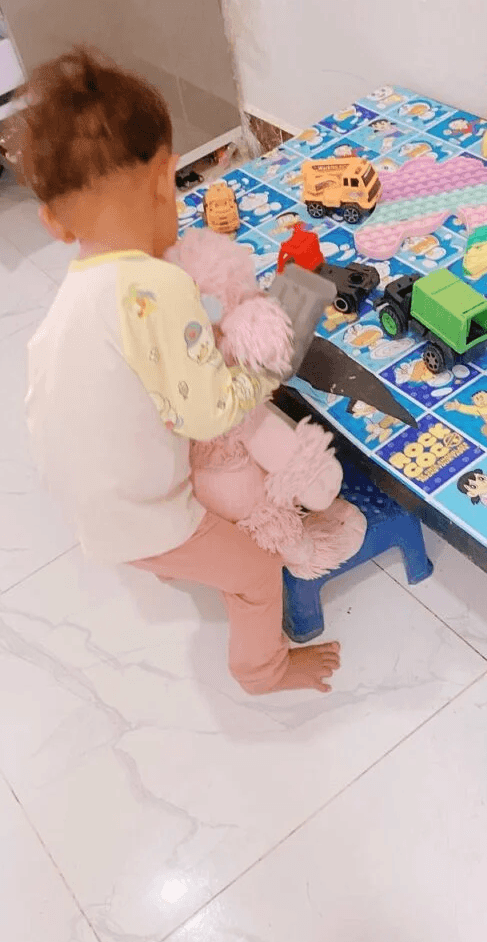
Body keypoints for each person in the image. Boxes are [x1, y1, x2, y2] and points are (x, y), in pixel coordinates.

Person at [18, 47, 340, 695]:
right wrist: (262, 366)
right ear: (167, 178)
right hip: (141, 513)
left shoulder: (76, 295)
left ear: (53, 223)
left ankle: (168, 563)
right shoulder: (158, 287)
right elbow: (210, 411)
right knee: (255, 569)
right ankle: (264, 670)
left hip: (83, 497)